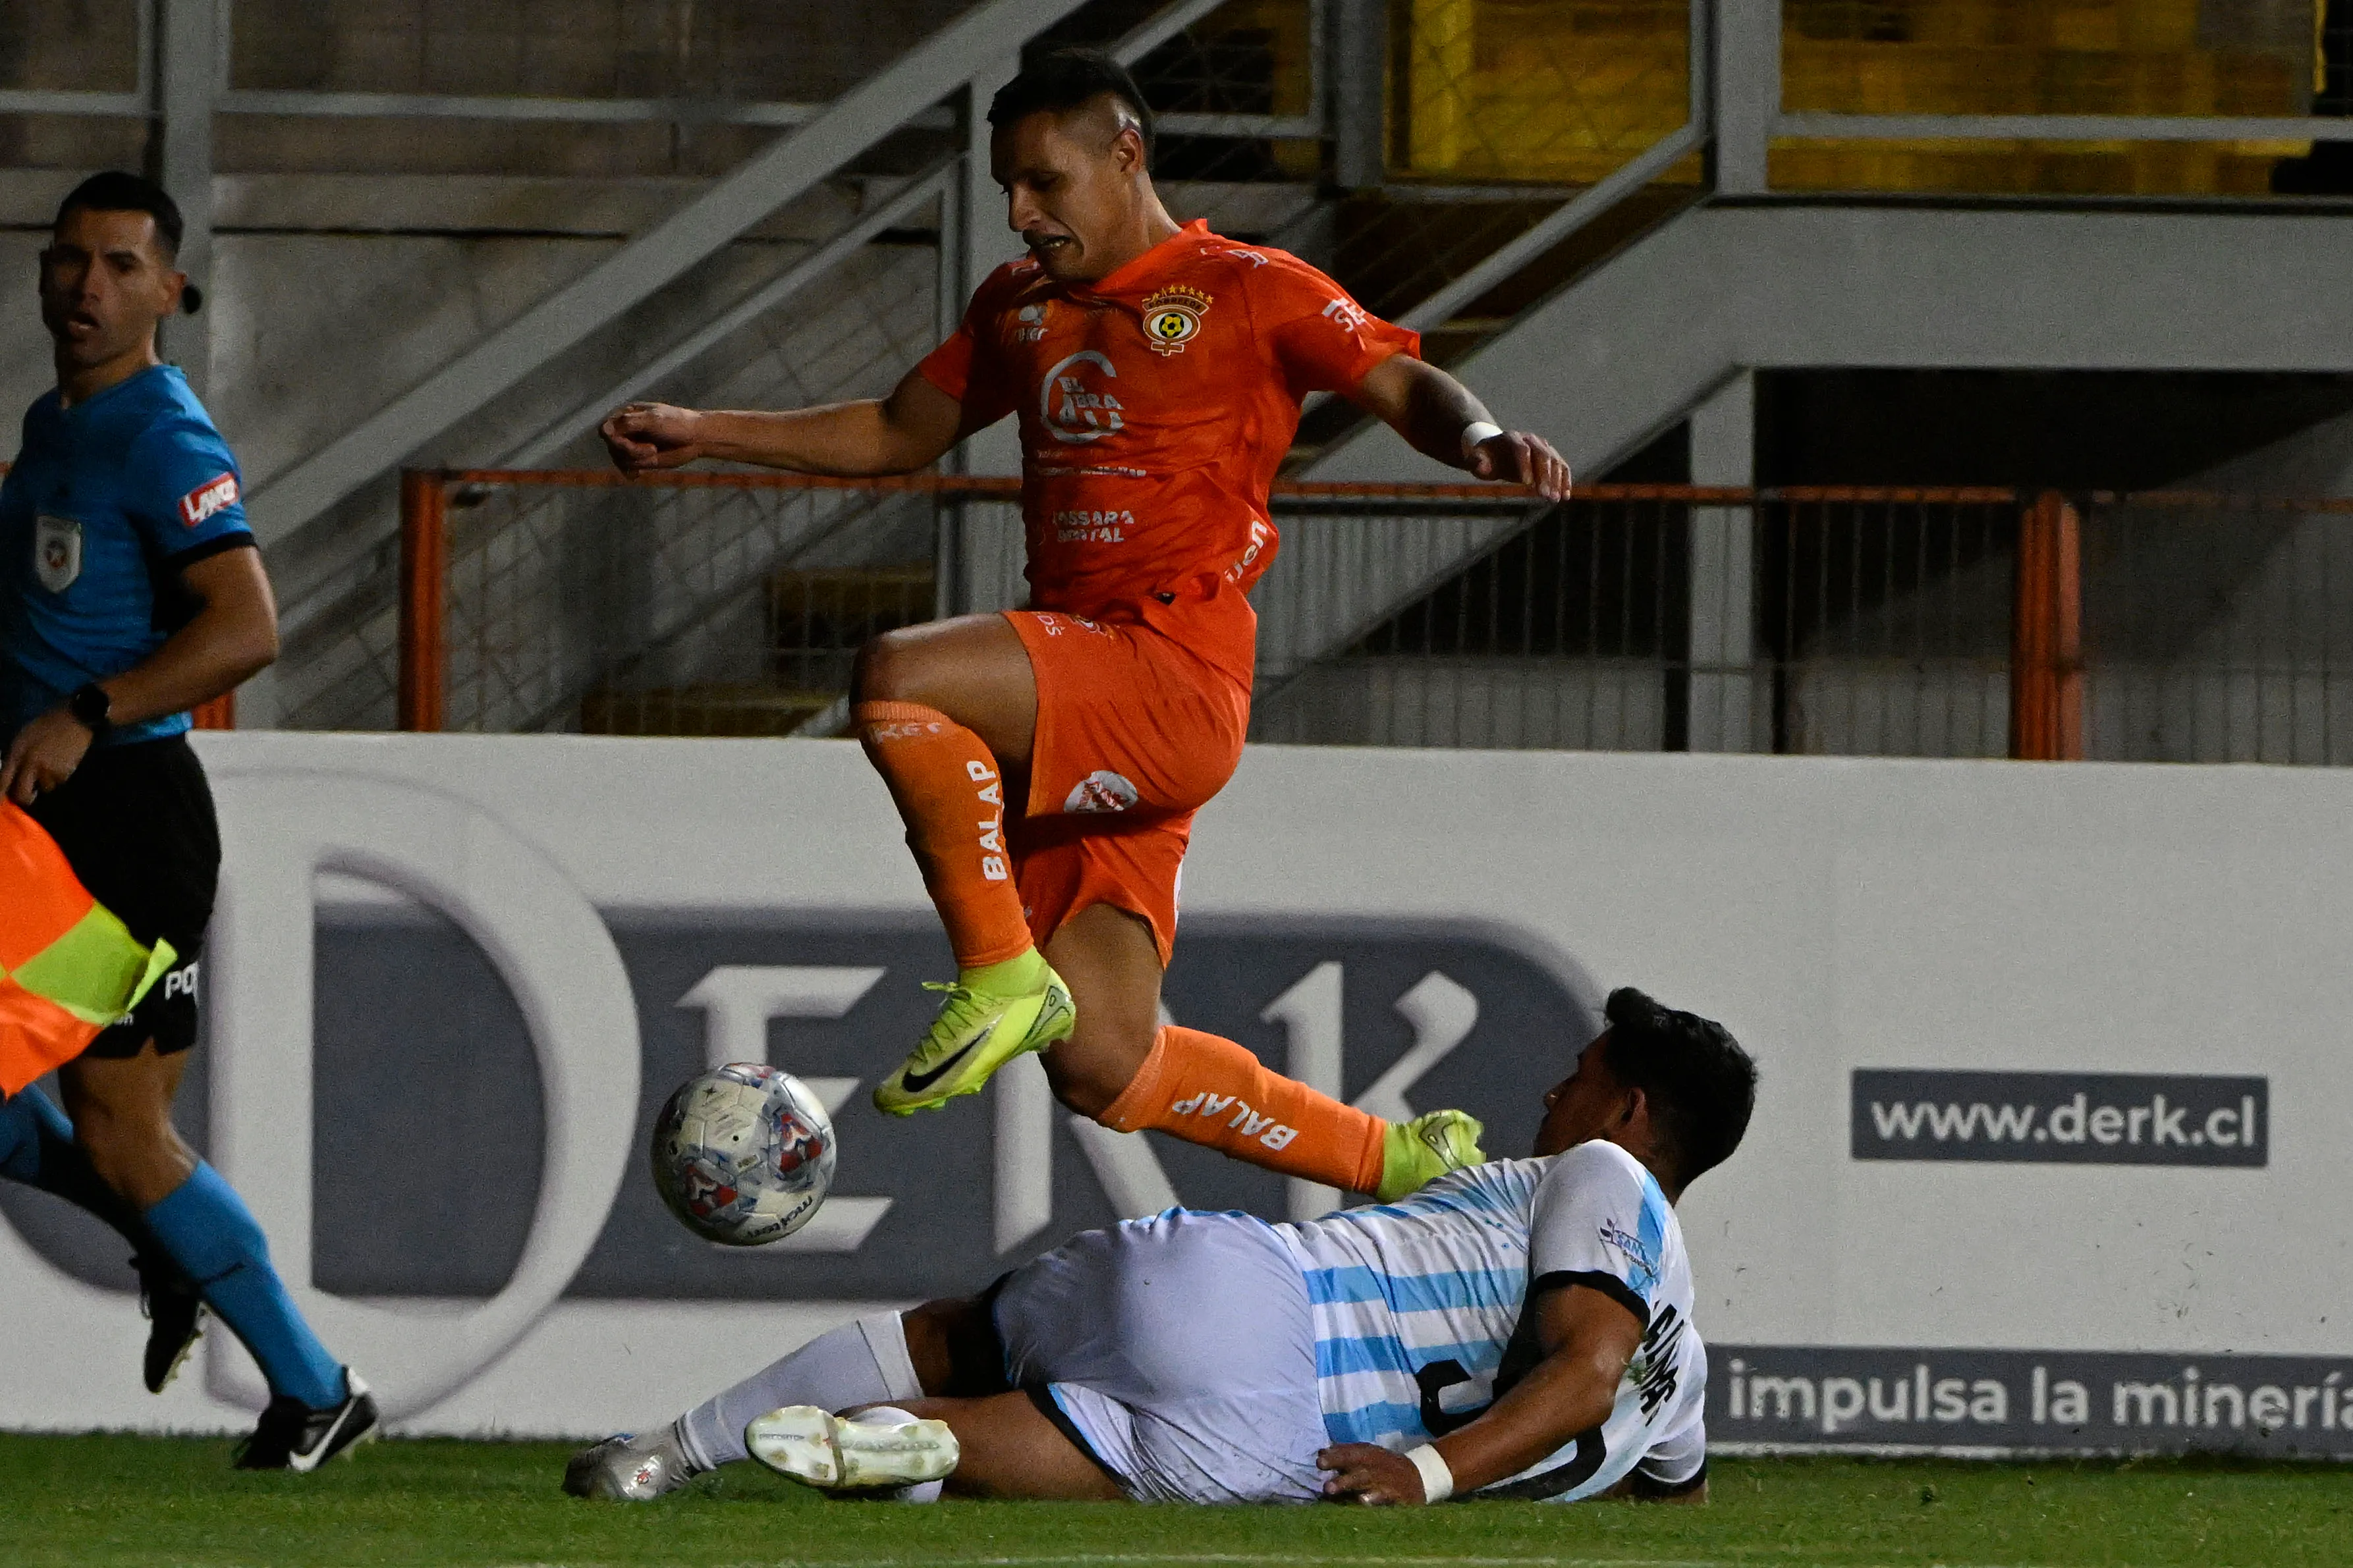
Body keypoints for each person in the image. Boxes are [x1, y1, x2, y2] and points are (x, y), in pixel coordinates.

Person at [601, 49, 1573, 1206]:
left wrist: (1481, 441)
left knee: (905, 680)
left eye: (1045, 182)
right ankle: (1398, 1159)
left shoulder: (1246, 285)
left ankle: (999, 967)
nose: (1020, 213)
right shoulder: (1019, 308)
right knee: (1104, 1062)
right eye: (1007, 185)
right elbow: (896, 432)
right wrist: (710, 430)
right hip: (1081, 690)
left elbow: (1401, 380)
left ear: (1127, 153)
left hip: (1170, 670)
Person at [566, 987, 1752, 1507]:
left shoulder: (1604, 1174)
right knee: (1053, 1451)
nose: (1558, 1090)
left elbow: (1588, 1359)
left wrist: (1434, 1475)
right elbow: (1665, 1478)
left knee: (951, 1336)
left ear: (1632, 1114)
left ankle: (668, 1452)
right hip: (1281, 1449)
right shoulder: (1686, 1366)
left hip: (1255, 1300)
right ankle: (906, 1455)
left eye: (1584, 1077)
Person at [0, 171, 374, 1469]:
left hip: (119, 826)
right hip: (40, 821)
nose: (85, 285)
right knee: (82, 1125)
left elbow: (246, 626)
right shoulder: (57, 424)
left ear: (171, 289)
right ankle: (175, 1247)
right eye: (67, 261)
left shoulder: (163, 434)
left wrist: (88, 710)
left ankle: (315, 1384)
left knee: (119, 1127)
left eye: (117, 263)